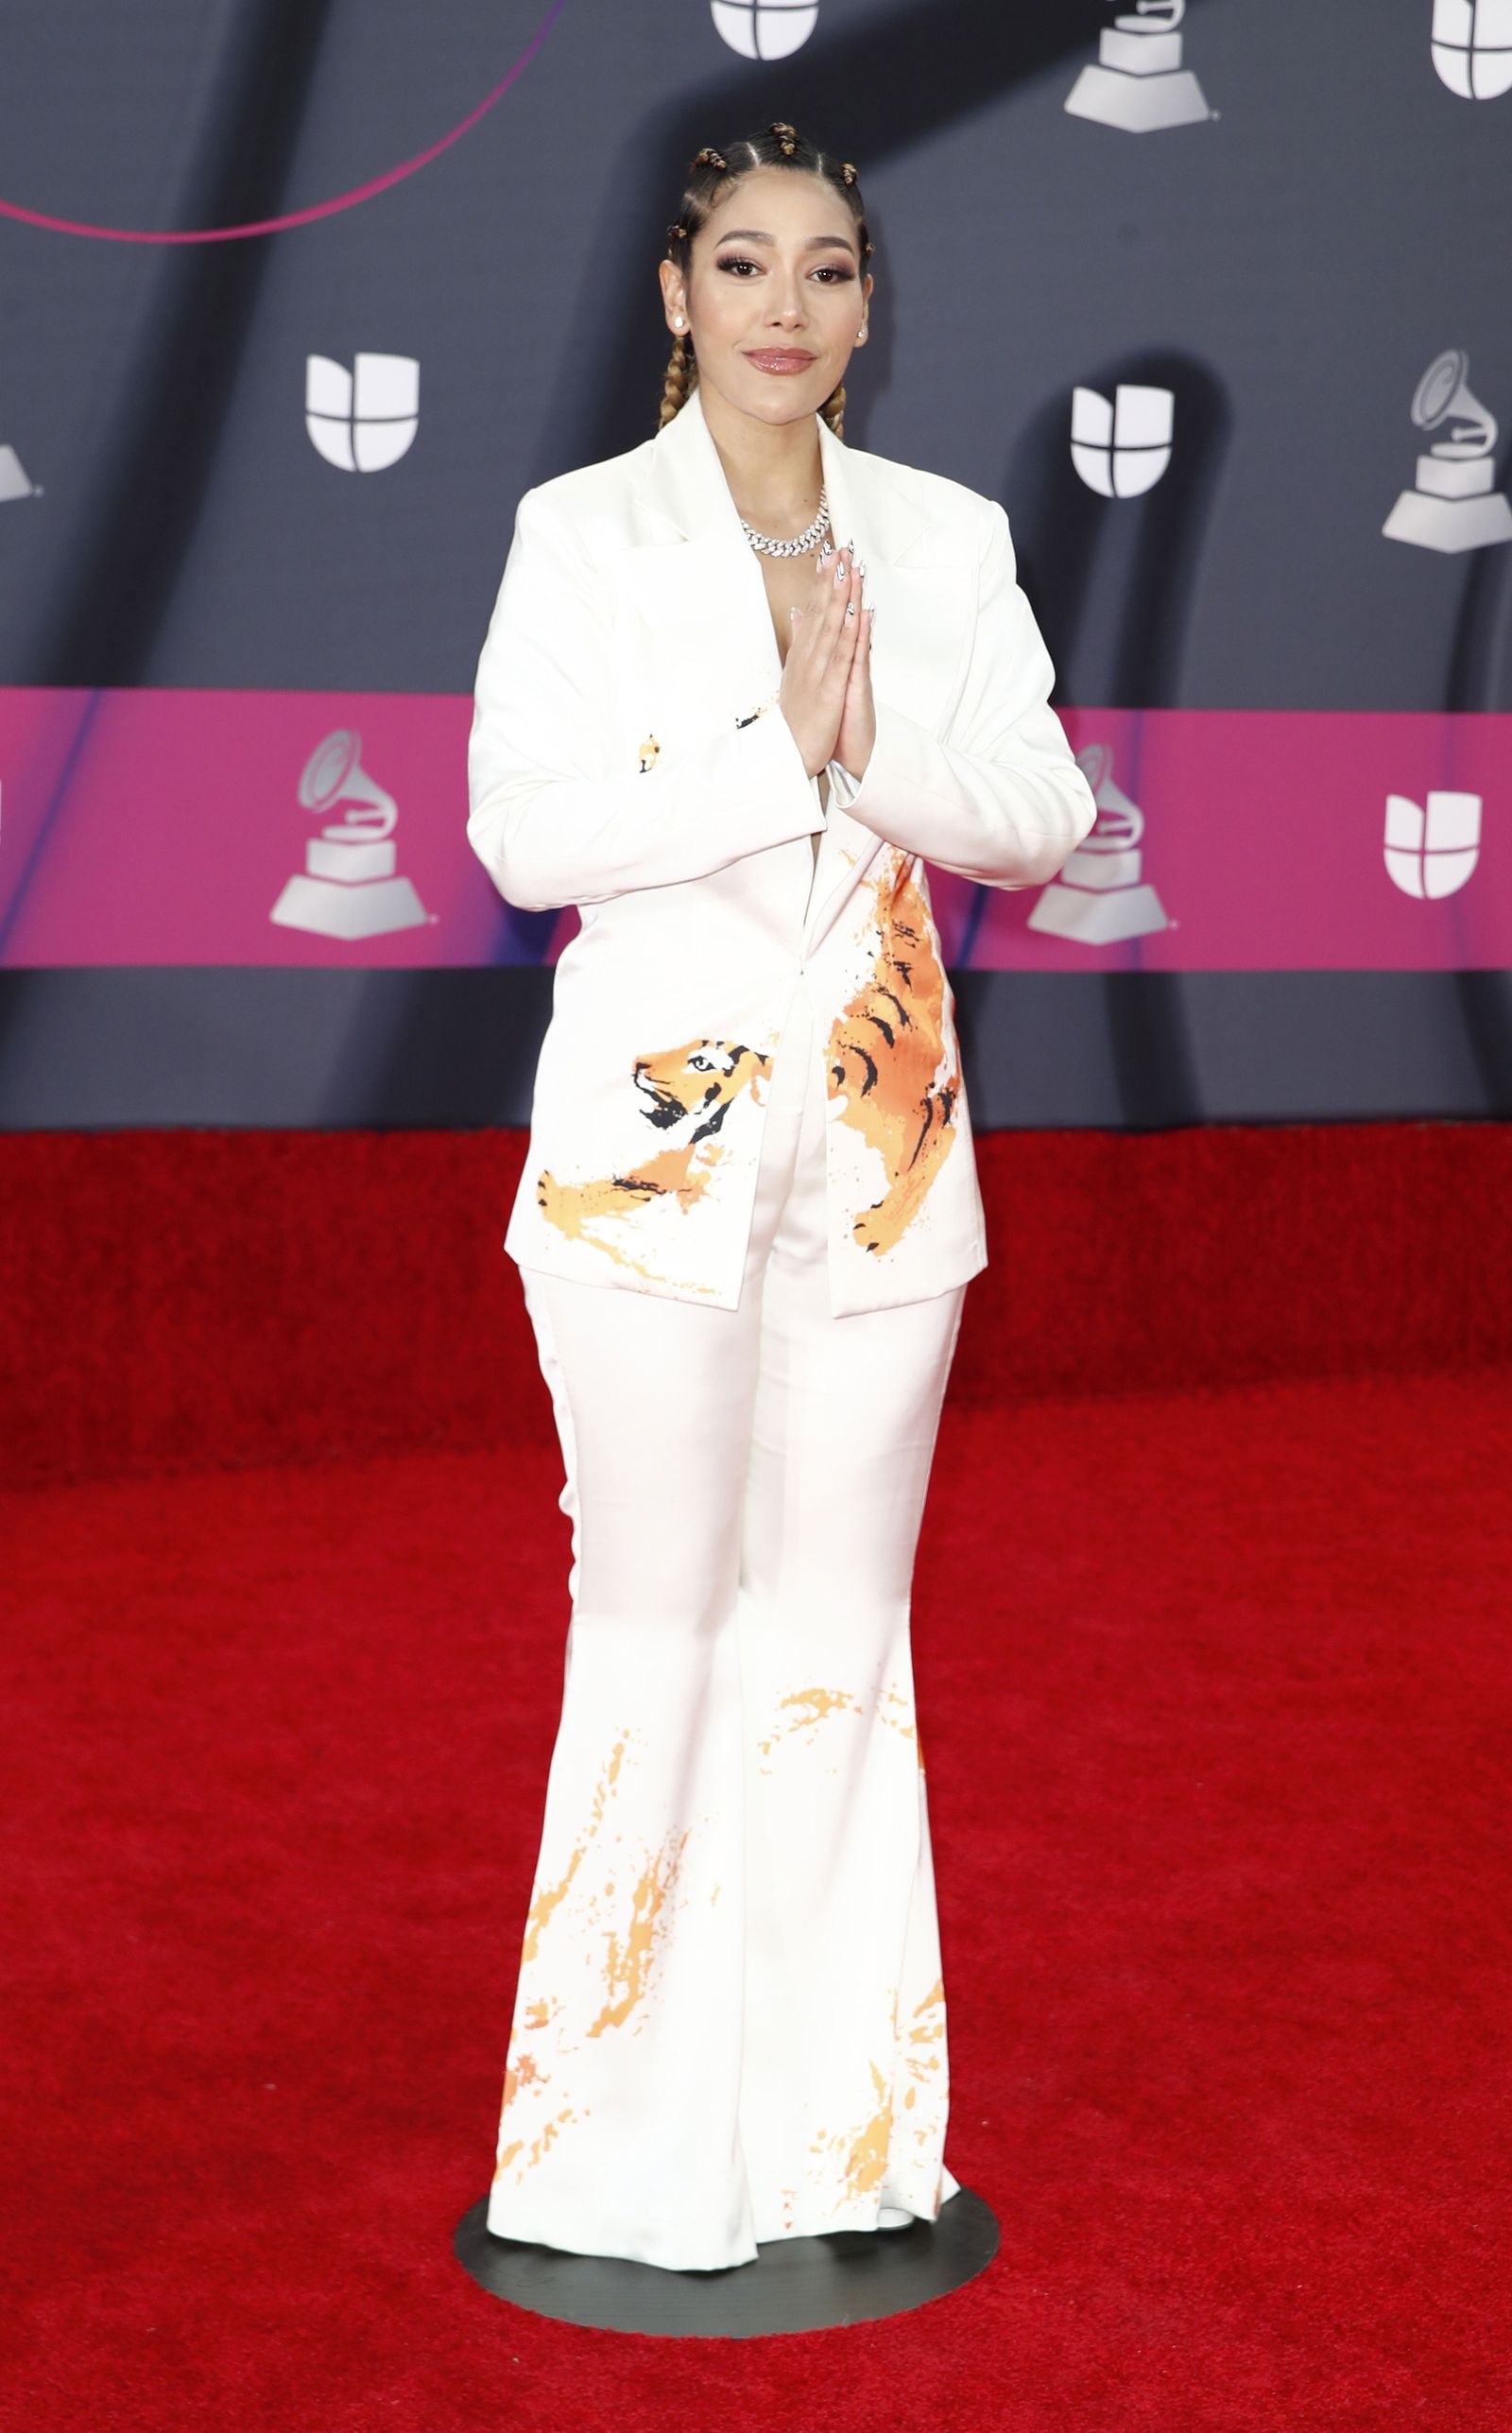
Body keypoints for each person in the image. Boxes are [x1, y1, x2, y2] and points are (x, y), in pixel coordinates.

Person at [465, 120, 1096, 2275]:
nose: (785, 309)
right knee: (650, 1620)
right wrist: (775, 747)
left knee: (837, 1633)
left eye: (826, 270)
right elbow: (520, 837)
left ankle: (840, 2135)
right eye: (742, 265)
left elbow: (1032, 806)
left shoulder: (942, 534)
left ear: (861, 303)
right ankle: (610, 2145)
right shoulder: (579, 534)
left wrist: (865, 749)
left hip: (886, 1158)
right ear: (673, 292)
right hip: (646, 1166)